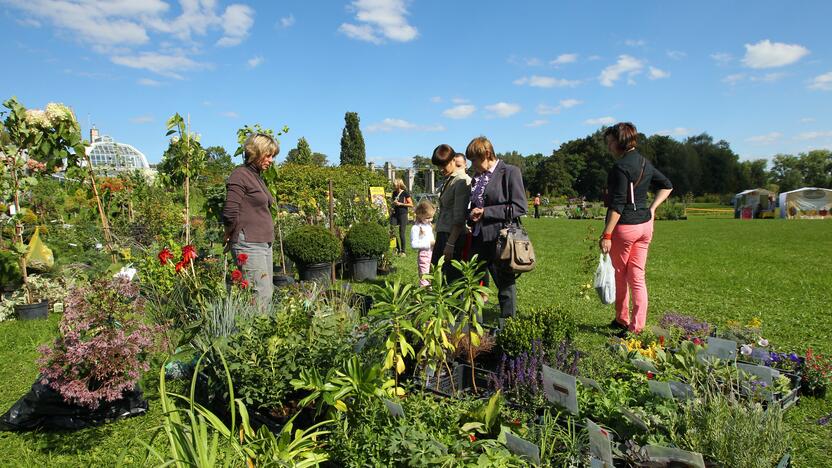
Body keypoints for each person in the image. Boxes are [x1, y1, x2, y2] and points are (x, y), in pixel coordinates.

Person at [599, 122, 673, 334]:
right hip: (645, 226)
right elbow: (667, 185)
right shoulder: (644, 162)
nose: (609, 147)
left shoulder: (620, 167)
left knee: (620, 275)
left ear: (619, 142)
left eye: (610, 142)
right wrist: (652, 207)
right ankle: (637, 325)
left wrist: (607, 234)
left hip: (625, 228)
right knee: (637, 277)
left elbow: (617, 204)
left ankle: (622, 319)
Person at [467, 136, 527, 318]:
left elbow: (519, 207)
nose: (473, 165)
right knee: (473, 283)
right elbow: (473, 204)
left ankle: (507, 325)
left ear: (487, 154)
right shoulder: (477, 178)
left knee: (505, 285)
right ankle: (473, 327)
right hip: (478, 238)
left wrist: (486, 212)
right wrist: (470, 214)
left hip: (501, 238)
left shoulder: (510, 172)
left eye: (475, 160)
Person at [223, 133, 279, 309]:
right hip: (248, 243)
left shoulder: (257, 177)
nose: (271, 160)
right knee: (260, 295)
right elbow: (230, 211)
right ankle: (254, 335)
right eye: (268, 155)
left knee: (266, 292)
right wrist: (228, 233)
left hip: (262, 243)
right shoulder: (240, 175)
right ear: (256, 152)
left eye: (273, 156)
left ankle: (262, 334)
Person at [431, 144, 471, 282]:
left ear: (454, 160)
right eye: (438, 166)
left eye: (444, 165)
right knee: (436, 273)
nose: (441, 169)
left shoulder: (461, 180)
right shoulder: (450, 178)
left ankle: (455, 304)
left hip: (453, 236)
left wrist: (450, 244)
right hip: (444, 233)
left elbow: (459, 217)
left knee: (453, 280)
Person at [411, 200, 436, 287]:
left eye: (432, 217)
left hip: (432, 252)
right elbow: (414, 244)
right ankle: (423, 293)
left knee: (432, 273)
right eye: (428, 217)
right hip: (424, 254)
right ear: (420, 215)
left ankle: (430, 290)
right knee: (424, 275)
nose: (430, 220)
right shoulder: (416, 228)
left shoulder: (428, 225)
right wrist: (429, 243)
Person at [390, 178, 412, 255]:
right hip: (394, 214)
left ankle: (403, 251)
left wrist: (401, 204)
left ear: (399, 184)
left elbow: (411, 204)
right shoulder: (394, 193)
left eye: (394, 184)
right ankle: (396, 249)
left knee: (401, 233)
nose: (393, 185)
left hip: (403, 214)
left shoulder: (405, 193)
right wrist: (392, 205)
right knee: (392, 231)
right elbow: (393, 203)